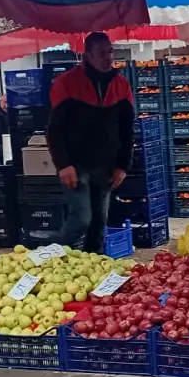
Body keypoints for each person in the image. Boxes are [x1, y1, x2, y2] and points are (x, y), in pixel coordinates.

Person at [45, 31, 135, 253]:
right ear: (87, 55)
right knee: (82, 218)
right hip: (76, 164)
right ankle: (44, 255)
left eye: (110, 51)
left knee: (98, 224)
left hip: (106, 165)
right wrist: (63, 164)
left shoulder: (121, 85)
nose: (108, 57)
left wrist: (123, 166)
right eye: (101, 52)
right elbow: (54, 129)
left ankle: (92, 266)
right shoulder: (66, 83)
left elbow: (127, 129)